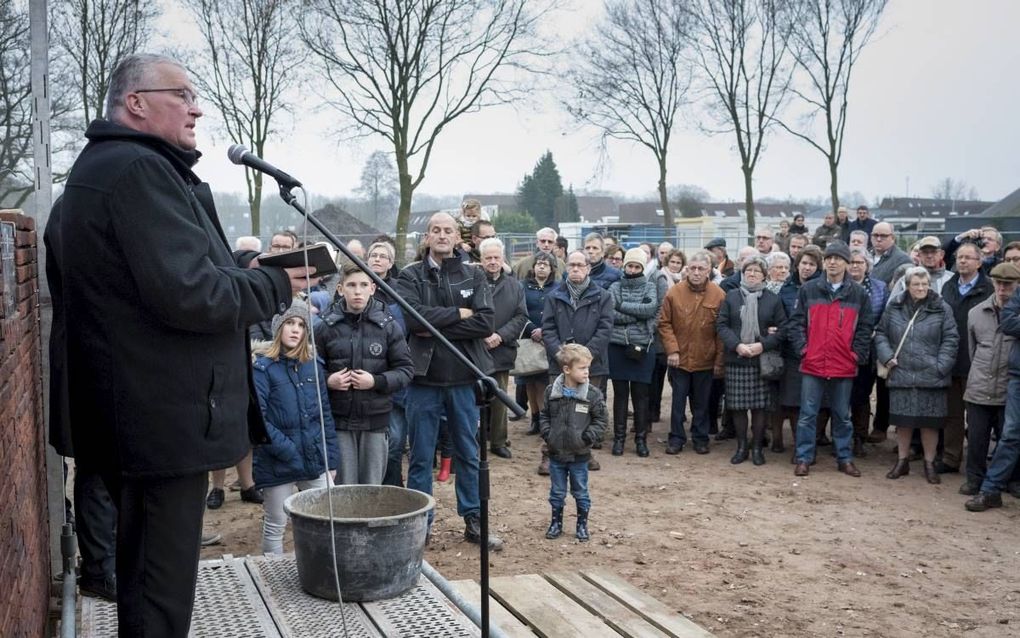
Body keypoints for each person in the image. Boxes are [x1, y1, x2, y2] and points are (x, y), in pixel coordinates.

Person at [45, 53, 310, 636]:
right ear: (135, 103)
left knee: (148, 580)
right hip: (159, 423)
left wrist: (244, 269)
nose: (196, 107)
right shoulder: (137, 171)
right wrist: (273, 282)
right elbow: (189, 293)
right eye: (182, 94)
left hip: (140, 415)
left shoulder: (116, 166)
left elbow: (169, 274)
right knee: (159, 590)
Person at [396, 212, 503, 549]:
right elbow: (413, 321)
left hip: (463, 377)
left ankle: (474, 520)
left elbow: (485, 323)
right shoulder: (410, 275)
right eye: (435, 230)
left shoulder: (473, 274)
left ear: (458, 237)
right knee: (421, 457)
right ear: (427, 237)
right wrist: (459, 313)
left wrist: (435, 324)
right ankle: (419, 523)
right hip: (423, 380)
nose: (442, 235)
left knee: (469, 454)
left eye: (448, 230)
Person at [252, 301, 340, 553]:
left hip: (313, 457)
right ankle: (271, 576)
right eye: (289, 323)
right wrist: (288, 450)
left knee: (331, 515)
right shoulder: (262, 367)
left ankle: (323, 569)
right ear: (278, 327)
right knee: (276, 523)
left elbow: (325, 414)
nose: (295, 330)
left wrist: (331, 459)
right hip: (277, 459)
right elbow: (259, 419)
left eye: (301, 325)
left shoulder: (313, 365)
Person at [317, 265, 413, 484]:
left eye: (363, 285)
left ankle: (370, 520)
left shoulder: (389, 327)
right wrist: (328, 381)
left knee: (371, 488)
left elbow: (406, 370)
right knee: (343, 487)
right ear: (340, 289)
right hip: (339, 421)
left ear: (373, 288)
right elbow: (307, 372)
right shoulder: (324, 326)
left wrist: (376, 381)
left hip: (375, 421)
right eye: (351, 285)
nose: (357, 291)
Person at [788, 242, 874, 477]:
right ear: (824, 261)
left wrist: (856, 354)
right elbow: (796, 324)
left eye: (838, 258)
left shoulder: (858, 293)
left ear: (847, 262)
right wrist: (803, 349)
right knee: (807, 414)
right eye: (829, 258)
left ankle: (844, 458)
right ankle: (804, 457)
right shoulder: (809, 290)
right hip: (813, 362)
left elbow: (866, 328)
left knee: (842, 415)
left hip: (843, 364)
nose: (833, 262)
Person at [876, 267, 958, 484]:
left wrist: (941, 366)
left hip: (932, 374)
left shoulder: (941, 308)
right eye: (916, 284)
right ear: (907, 286)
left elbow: (951, 339)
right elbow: (881, 333)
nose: (921, 288)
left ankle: (929, 463)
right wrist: (886, 357)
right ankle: (902, 461)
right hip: (901, 371)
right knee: (902, 422)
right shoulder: (894, 307)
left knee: (929, 423)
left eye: (924, 284)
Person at [542, 250, 614, 473]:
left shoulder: (603, 296)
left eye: (579, 265)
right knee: (557, 410)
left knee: (586, 409)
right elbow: (548, 329)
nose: (575, 269)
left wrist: (585, 358)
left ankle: (585, 453)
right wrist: (561, 355)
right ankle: (548, 454)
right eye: (571, 265)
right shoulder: (554, 296)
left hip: (592, 364)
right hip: (560, 364)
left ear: (588, 268)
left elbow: (605, 328)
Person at [716, 256, 787, 465]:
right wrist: (737, 345)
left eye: (757, 271)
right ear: (743, 274)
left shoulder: (773, 299)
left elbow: (783, 329)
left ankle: (757, 448)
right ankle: (741, 447)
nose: (752, 274)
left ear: (764, 275)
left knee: (759, 408)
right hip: (736, 358)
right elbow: (721, 325)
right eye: (748, 271)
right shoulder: (731, 296)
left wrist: (762, 345)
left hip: (761, 361)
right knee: (737, 407)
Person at [959, 263, 1020, 496]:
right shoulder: (976, 312)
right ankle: (974, 479)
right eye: (999, 283)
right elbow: (973, 350)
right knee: (976, 438)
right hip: (980, 385)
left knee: (1009, 437)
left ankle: (1012, 479)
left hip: (1008, 386)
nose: (1003, 289)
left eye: (1009, 284)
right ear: (992, 283)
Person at [658, 251, 725, 455]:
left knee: (702, 403)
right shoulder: (674, 293)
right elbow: (664, 323)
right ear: (687, 269)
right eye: (692, 268)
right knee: (677, 402)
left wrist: (718, 360)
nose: (696, 272)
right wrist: (672, 349)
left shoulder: (719, 295)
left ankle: (700, 438)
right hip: (679, 359)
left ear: (709, 271)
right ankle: (676, 438)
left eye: (701, 269)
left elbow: (722, 330)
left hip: (705, 358)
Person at [540, 344, 607, 542]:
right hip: (556, 453)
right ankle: (556, 523)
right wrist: (548, 434)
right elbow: (544, 415)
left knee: (580, 491)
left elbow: (602, 419)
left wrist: (587, 437)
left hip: (579, 455)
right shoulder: (552, 392)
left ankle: (582, 524)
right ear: (567, 369)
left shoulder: (592, 394)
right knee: (557, 492)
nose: (587, 372)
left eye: (588, 368)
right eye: (582, 368)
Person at [937, 241, 993, 474]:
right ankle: (951, 458)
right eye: (960, 257)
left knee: (978, 418)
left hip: (978, 362)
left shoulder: (988, 289)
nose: (962, 261)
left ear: (979, 262)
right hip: (952, 359)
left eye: (968, 258)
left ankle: (976, 463)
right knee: (952, 414)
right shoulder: (948, 287)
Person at [478, 238, 529, 459]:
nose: (492, 262)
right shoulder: (471, 282)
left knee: (499, 398)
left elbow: (521, 316)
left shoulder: (514, 286)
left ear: (503, 259)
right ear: (481, 260)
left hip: (502, 349)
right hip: (474, 349)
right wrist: (480, 336)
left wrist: (500, 336)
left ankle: (498, 441)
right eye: (488, 258)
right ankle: (473, 440)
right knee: (473, 398)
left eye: (496, 257)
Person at [607, 249, 660, 457]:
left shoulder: (650, 287)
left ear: (642, 267)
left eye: (637, 266)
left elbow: (649, 310)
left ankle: (640, 439)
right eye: (630, 265)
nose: (633, 269)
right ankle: (619, 439)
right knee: (620, 395)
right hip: (618, 346)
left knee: (641, 396)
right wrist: (636, 315)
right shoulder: (614, 286)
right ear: (624, 266)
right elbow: (611, 313)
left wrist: (622, 307)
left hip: (642, 347)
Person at [773, 246, 823, 452]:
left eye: (812, 264)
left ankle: (807, 446)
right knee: (790, 401)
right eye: (804, 263)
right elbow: (780, 315)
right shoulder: (787, 287)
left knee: (811, 404)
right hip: (790, 352)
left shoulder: (821, 288)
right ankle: (791, 445)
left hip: (816, 351)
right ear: (797, 264)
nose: (807, 268)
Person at [846, 248, 887, 456]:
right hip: (841, 348)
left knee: (861, 396)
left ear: (867, 265)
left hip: (867, 350)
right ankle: (841, 437)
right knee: (841, 395)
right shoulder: (840, 286)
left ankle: (859, 437)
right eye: (852, 262)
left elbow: (885, 316)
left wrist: (871, 332)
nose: (855, 266)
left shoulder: (880, 288)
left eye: (859, 262)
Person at [521, 253, 558, 435]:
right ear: (533, 267)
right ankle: (534, 419)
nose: (541, 267)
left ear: (552, 269)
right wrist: (531, 329)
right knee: (530, 381)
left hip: (549, 339)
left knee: (544, 382)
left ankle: (545, 420)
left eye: (545, 264)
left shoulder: (558, 288)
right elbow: (519, 311)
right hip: (528, 339)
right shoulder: (523, 287)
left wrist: (544, 330)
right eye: (539, 264)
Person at [649, 250, 686, 423]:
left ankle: (679, 412)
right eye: (673, 262)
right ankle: (653, 412)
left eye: (679, 263)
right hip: (659, 337)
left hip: (677, 336)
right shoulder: (661, 278)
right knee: (656, 377)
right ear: (666, 262)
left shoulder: (683, 280)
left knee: (674, 377)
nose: (675, 265)